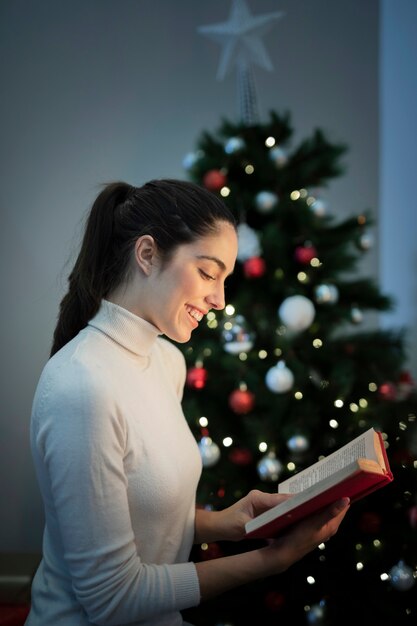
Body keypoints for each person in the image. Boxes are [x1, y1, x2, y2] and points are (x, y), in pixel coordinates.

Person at [26, 179, 350, 626]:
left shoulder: (166, 361)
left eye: (225, 279)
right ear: (147, 254)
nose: (219, 299)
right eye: (207, 272)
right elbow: (111, 599)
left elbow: (138, 514)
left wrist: (229, 523)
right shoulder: (82, 387)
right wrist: (270, 562)